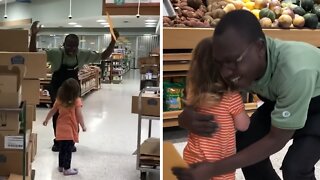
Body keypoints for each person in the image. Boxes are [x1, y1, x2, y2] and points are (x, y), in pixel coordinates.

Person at [172, 10, 320, 180]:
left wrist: (213, 169)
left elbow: (276, 139)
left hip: (316, 103)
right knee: (245, 143)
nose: (226, 72)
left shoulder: (295, 70)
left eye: (233, 62)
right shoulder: (236, 60)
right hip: (283, 98)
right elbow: (202, 79)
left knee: (296, 168)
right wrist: (188, 113)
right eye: (220, 63)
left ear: (259, 48)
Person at [29, 21, 119, 152]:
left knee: (74, 113)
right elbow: (34, 55)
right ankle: (58, 140)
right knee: (58, 113)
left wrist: (113, 42)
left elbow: (103, 56)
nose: (71, 49)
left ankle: (71, 140)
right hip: (57, 85)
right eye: (69, 46)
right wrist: (33, 36)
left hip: (73, 87)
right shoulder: (55, 53)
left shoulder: (83, 54)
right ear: (63, 44)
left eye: (74, 46)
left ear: (78, 46)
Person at [183, 37, 250, 180]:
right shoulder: (231, 97)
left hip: (193, 157)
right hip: (221, 162)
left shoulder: (193, 91)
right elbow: (243, 126)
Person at [43, 78, 86, 176]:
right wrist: (83, 126)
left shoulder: (59, 100)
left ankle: (61, 166)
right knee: (68, 150)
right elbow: (79, 115)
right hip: (70, 130)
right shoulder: (76, 101)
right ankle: (67, 169)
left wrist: (46, 119)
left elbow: (53, 111)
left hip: (60, 129)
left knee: (62, 149)